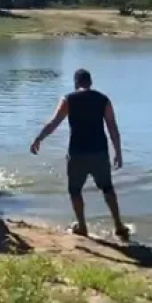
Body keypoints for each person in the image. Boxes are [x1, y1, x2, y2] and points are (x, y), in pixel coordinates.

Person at [30, 68, 129, 241]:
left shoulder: (68, 99)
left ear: (76, 83)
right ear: (90, 82)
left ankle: (82, 226)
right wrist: (118, 153)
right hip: (99, 152)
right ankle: (119, 225)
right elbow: (112, 127)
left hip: (77, 152)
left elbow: (54, 123)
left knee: (75, 190)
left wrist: (39, 138)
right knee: (107, 188)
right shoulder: (103, 99)